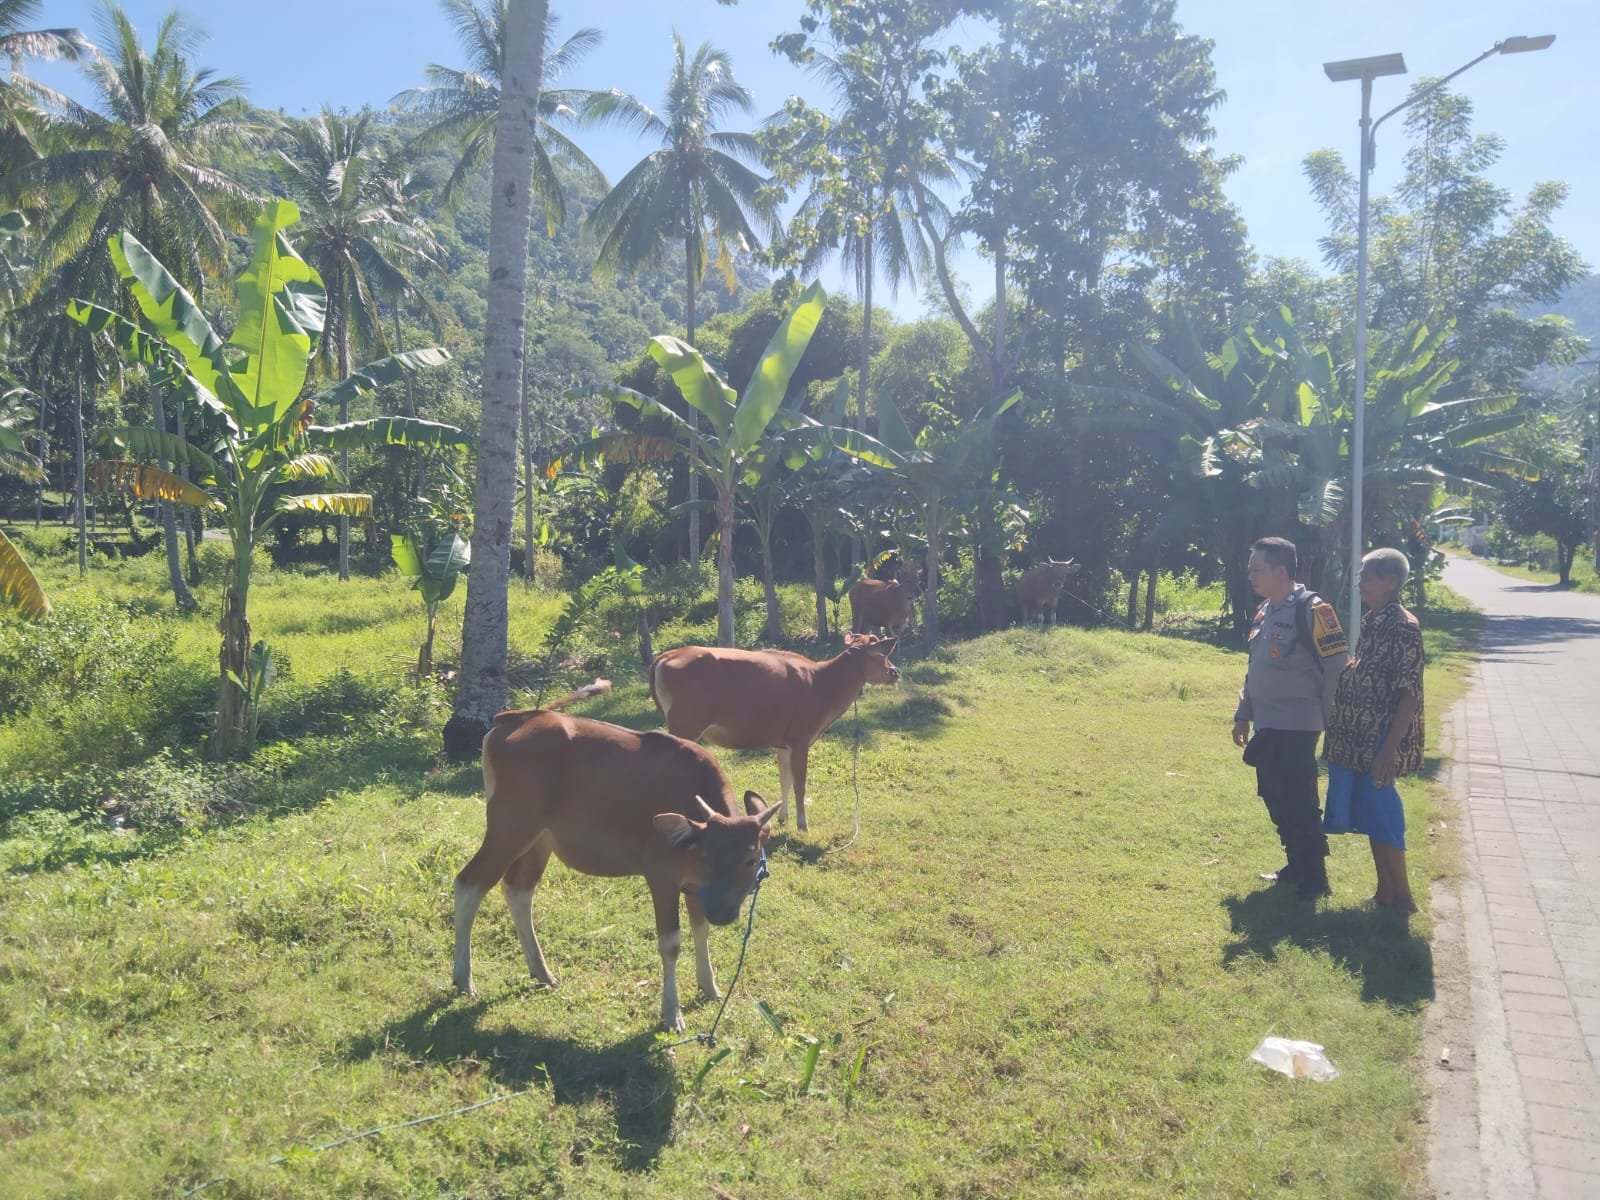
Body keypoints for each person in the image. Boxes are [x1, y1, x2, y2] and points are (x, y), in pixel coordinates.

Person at [1231, 537, 1350, 899]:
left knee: (1299, 799)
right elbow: (1256, 668)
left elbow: (1337, 668)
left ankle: (1316, 878)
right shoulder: (1266, 610)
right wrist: (1243, 712)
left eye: (1257, 569)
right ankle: (1295, 864)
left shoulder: (1314, 610)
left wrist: (1332, 721)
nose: (1250, 575)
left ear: (1280, 571)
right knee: (1273, 794)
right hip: (1267, 721)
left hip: (1299, 722)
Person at [1322, 548, 1425, 913]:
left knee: (1383, 815)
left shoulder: (1403, 627)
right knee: (1368, 812)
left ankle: (1405, 898)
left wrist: (1388, 750)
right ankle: (1385, 893)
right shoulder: (1373, 619)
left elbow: (1409, 694)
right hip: (1357, 737)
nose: (1360, 582)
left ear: (1390, 581)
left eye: (1367, 575)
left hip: (1381, 738)